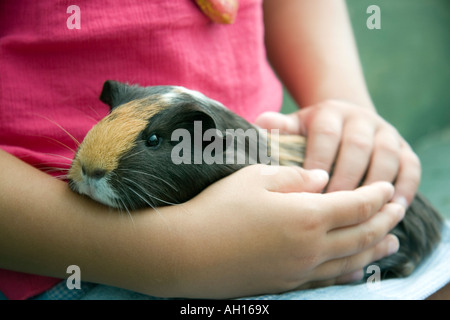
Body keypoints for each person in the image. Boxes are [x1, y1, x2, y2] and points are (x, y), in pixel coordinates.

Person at [0, 0, 448, 300]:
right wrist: (174, 256)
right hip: (63, 263)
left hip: (290, 239)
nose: (92, 165)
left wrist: (346, 105)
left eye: (155, 140)